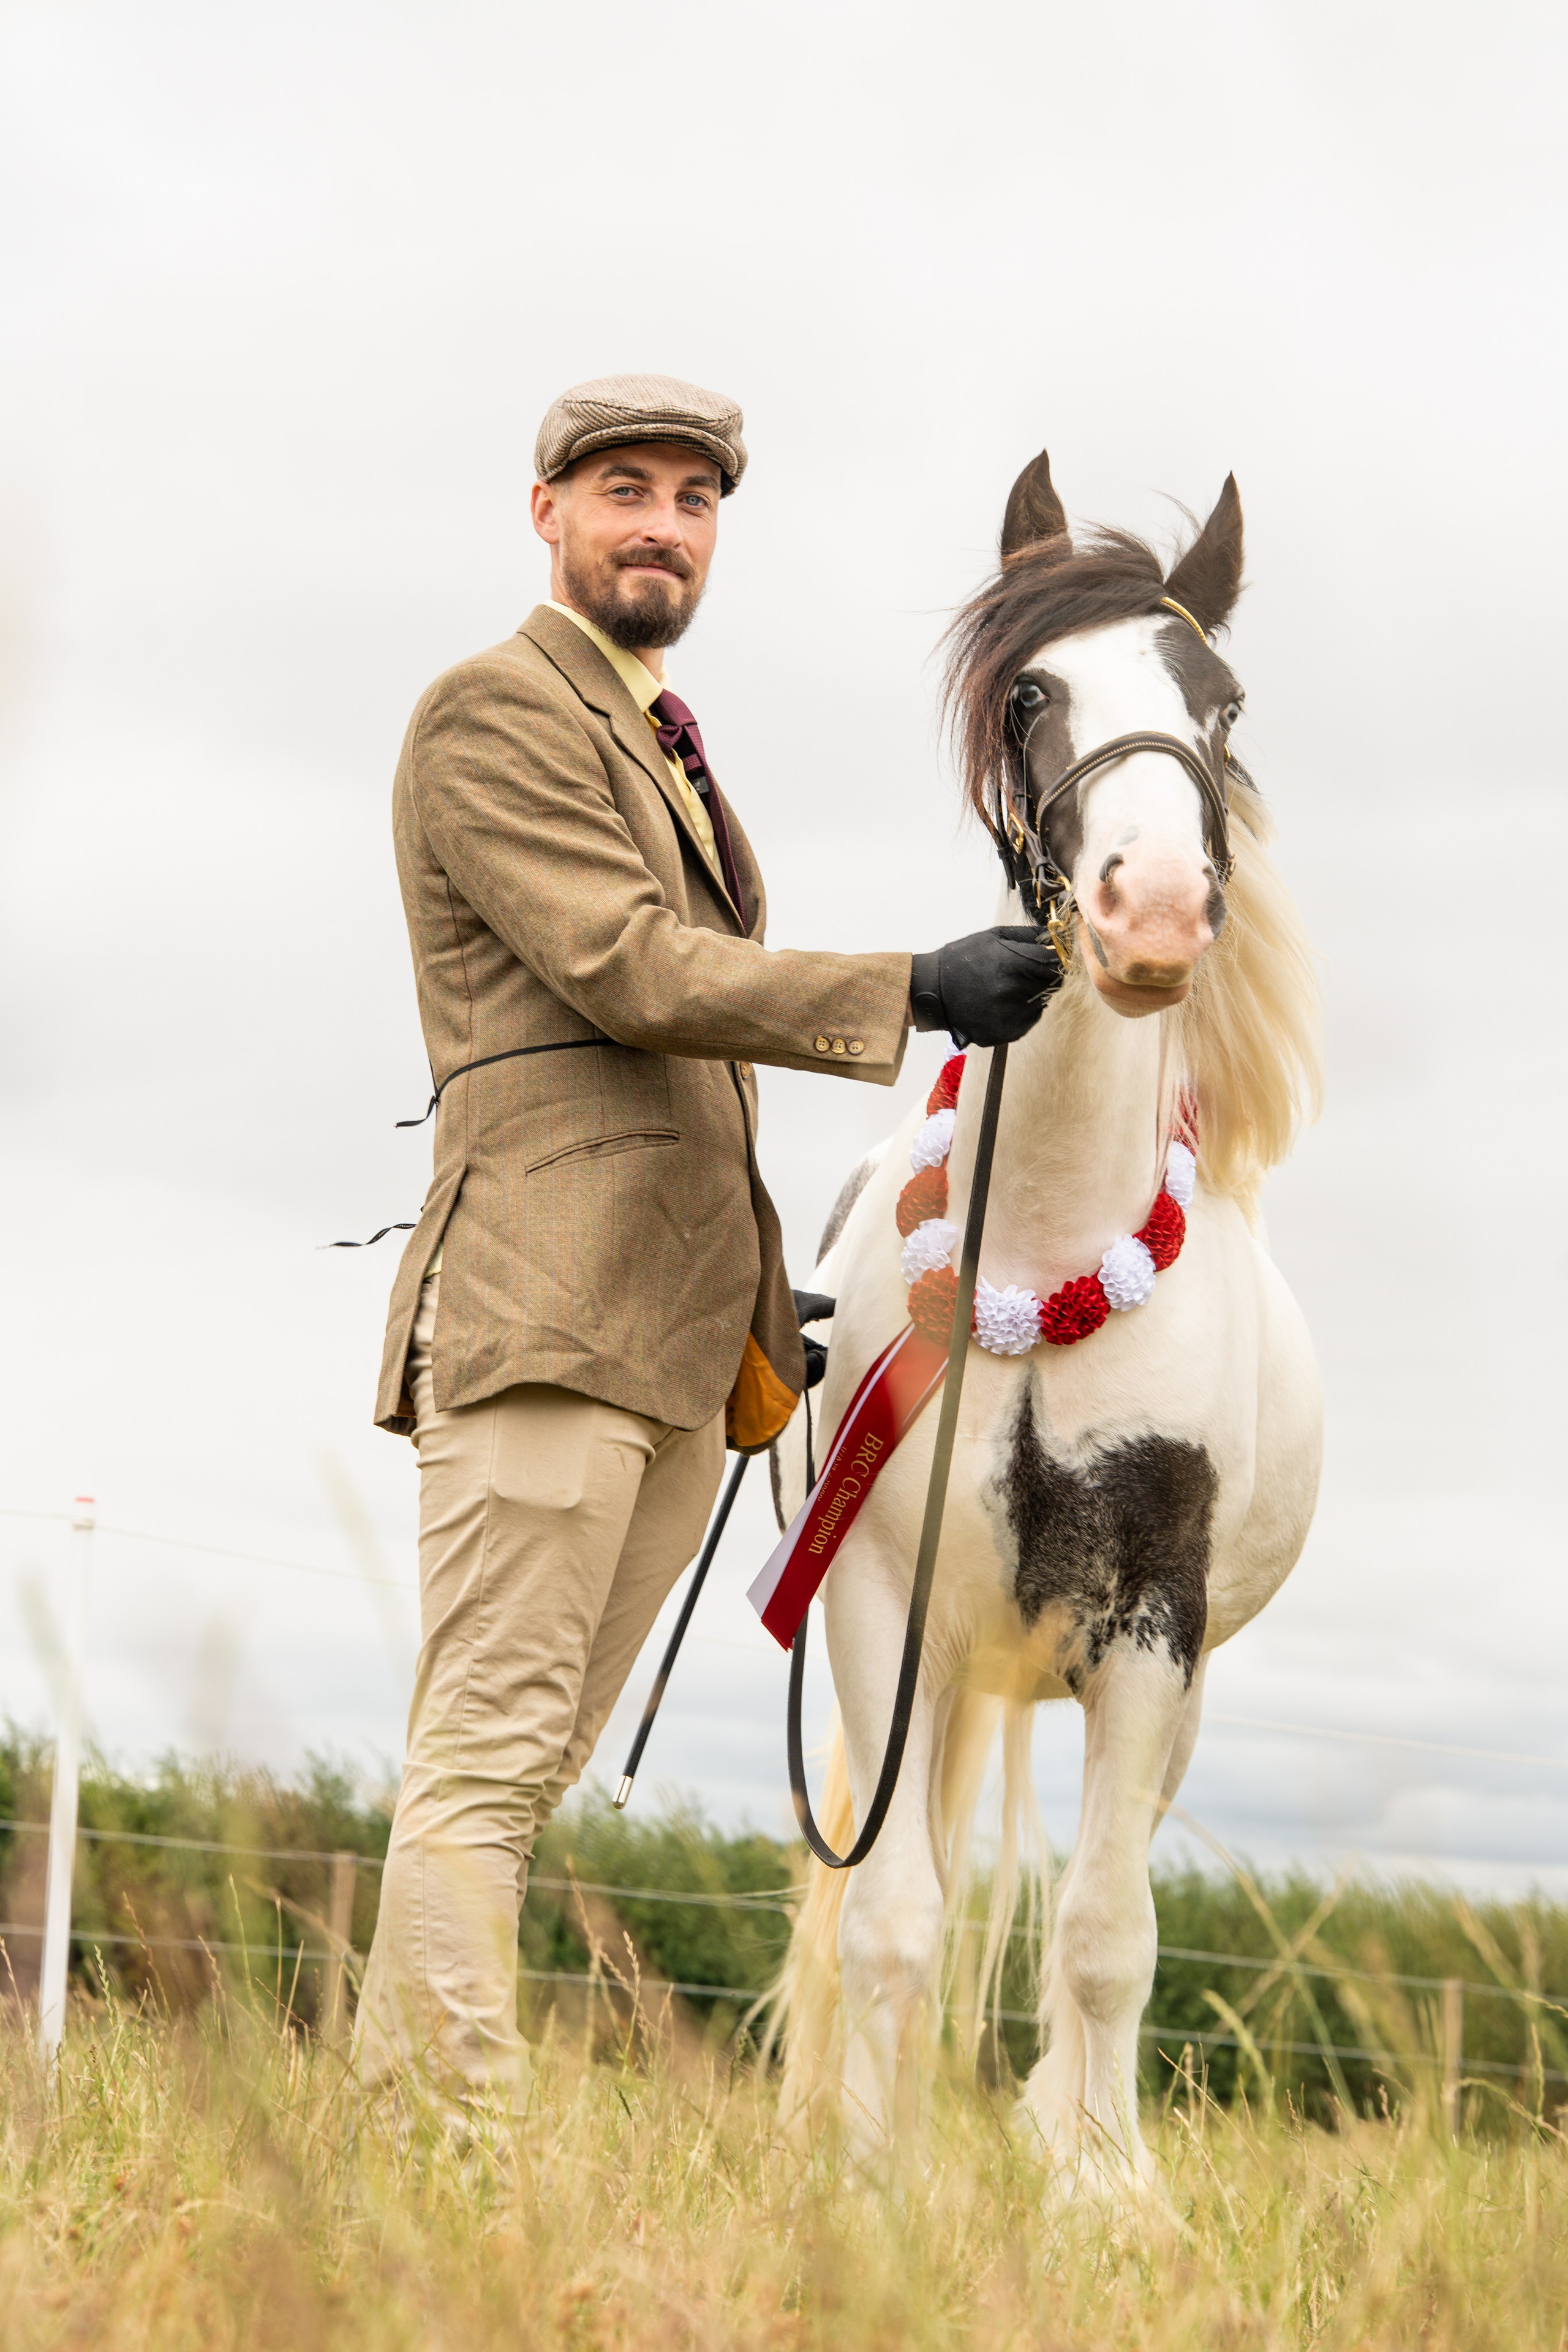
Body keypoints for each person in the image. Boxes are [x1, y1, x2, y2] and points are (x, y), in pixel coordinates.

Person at [353, 371, 1060, 2106]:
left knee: (518, 1773)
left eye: (693, 498)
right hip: (545, 1318)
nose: (662, 525)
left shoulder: (658, 734)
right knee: (487, 1760)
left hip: (672, 1341)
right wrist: (910, 987)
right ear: (547, 512)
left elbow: (665, 1077)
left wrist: (753, 1289)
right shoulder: (494, 713)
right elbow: (630, 971)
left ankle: (393, 2134)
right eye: (624, 490)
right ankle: (457, 2154)